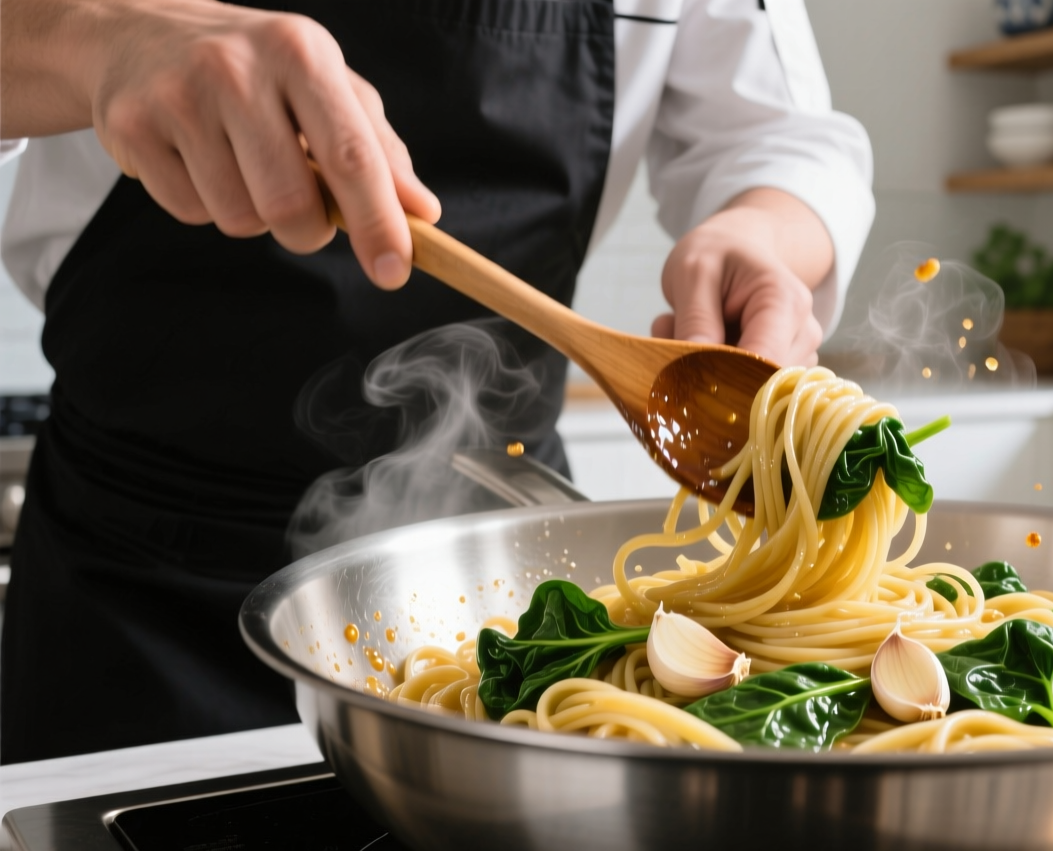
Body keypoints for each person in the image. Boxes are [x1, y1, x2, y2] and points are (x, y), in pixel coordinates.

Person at [0, 0, 873, 763]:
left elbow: (783, 139)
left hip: (500, 587)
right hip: (134, 578)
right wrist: (95, 36)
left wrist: (762, 234)